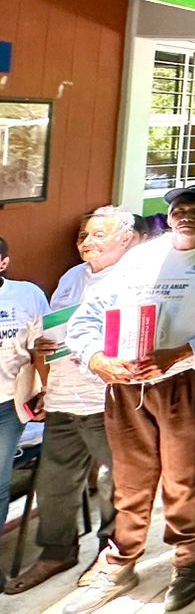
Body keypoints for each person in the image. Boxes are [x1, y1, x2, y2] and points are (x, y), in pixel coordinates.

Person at [63, 185, 195, 613]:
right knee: (129, 478)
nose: (186, 216)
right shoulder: (140, 258)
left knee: (181, 475)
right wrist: (96, 359)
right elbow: (90, 316)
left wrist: (182, 353)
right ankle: (121, 559)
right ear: (168, 217)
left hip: (183, 382)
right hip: (126, 380)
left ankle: (187, 556)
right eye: (179, 209)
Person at [5, 208, 137, 595]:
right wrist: (46, 353)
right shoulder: (71, 276)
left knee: (117, 483)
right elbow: (53, 326)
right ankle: (57, 551)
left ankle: (112, 558)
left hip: (106, 398)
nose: (87, 242)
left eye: (99, 235)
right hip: (63, 396)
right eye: (84, 235)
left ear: (125, 239)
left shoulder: (135, 278)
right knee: (55, 482)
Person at [0, 235, 50, 585]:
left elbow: (41, 348)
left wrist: (47, 391)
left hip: (6, 404)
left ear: (3, 262)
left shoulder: (26, 295)